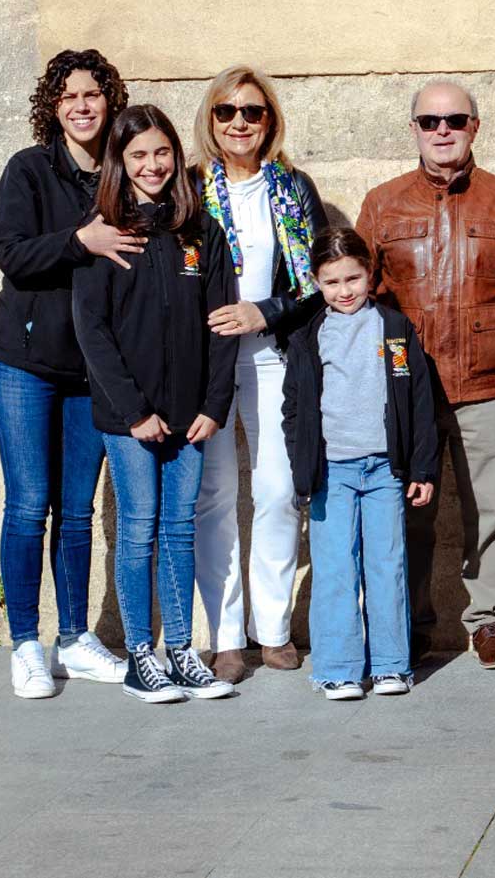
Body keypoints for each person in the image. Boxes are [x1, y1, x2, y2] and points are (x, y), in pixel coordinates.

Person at [358, 79, 495, 669]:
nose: (441, 130)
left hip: (486, 388)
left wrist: (493, 339)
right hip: (409, 393)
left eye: (454, 120)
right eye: (429, 121)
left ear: (475, 126)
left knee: (490, 511)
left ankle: (489, 625)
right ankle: (409, 624)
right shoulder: (383, 203)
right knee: (409, 512)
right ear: (415, 130)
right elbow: (362, 293)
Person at [71, 105, 239, 703]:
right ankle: (141, 653)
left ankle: (181, 652)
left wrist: (215, 405)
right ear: (120, 161)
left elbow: (222, 326)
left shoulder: (203, 234)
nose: (152, 165)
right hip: (130, 419)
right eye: (138, 155)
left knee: (179, 530)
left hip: (190, 414)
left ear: (176, 154)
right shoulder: (107, 233)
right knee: (138, 530)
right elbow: (93, 331)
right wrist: (134, 411)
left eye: (161, 152)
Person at [0, 49, 139, 698]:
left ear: (110, 103)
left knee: (75, 511)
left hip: (90, 373)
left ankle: (74, 638)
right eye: (69, 95)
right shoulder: (29, 170)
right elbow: (10, 252)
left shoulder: (122, 177)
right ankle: (26, 642)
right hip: (22, 365)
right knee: (29, 504)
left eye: (93, 95)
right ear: (54, 105)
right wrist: (82, 240)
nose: (82, 106)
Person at [190, 65, 325, 683]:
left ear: (269, 119)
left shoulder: (293, 189)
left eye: (252, 111)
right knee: (214, 496)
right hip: (205, 365)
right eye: (226, 111)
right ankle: (224, 637)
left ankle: (271, 629)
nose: (239, 122)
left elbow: (318, 282)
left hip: (273, 356)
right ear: (211, 119)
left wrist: (262, 311)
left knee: (275, 490)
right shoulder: (187, 192)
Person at [282, 228, 440, 700]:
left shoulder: (394, 329)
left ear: (370, 274)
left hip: (384, 471)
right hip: (332, 471)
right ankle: (338, 668)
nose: (344, 291)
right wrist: (302, 466)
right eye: (331, 282)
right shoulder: (308, 338)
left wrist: (422, 469)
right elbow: (294, 410)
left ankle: (391, 664)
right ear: (315, 282)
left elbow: (418, 400)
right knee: (334, 569)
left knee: (387, 565)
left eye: (353, 278)